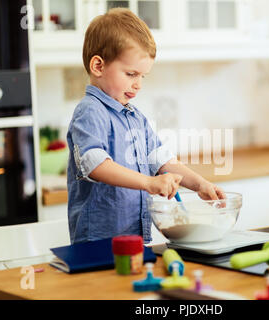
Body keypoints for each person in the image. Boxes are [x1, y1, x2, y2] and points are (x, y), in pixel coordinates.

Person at [66, 8, 226, 244]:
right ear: (98, 66)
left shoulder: (135, 117)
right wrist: (149, 183)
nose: (138, 84)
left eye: (143, 76)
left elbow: (162, 161)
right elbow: (95, 164)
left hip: (136, 239)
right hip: (99, 243)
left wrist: (199, 184)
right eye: (131, 74)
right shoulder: (91, 111)